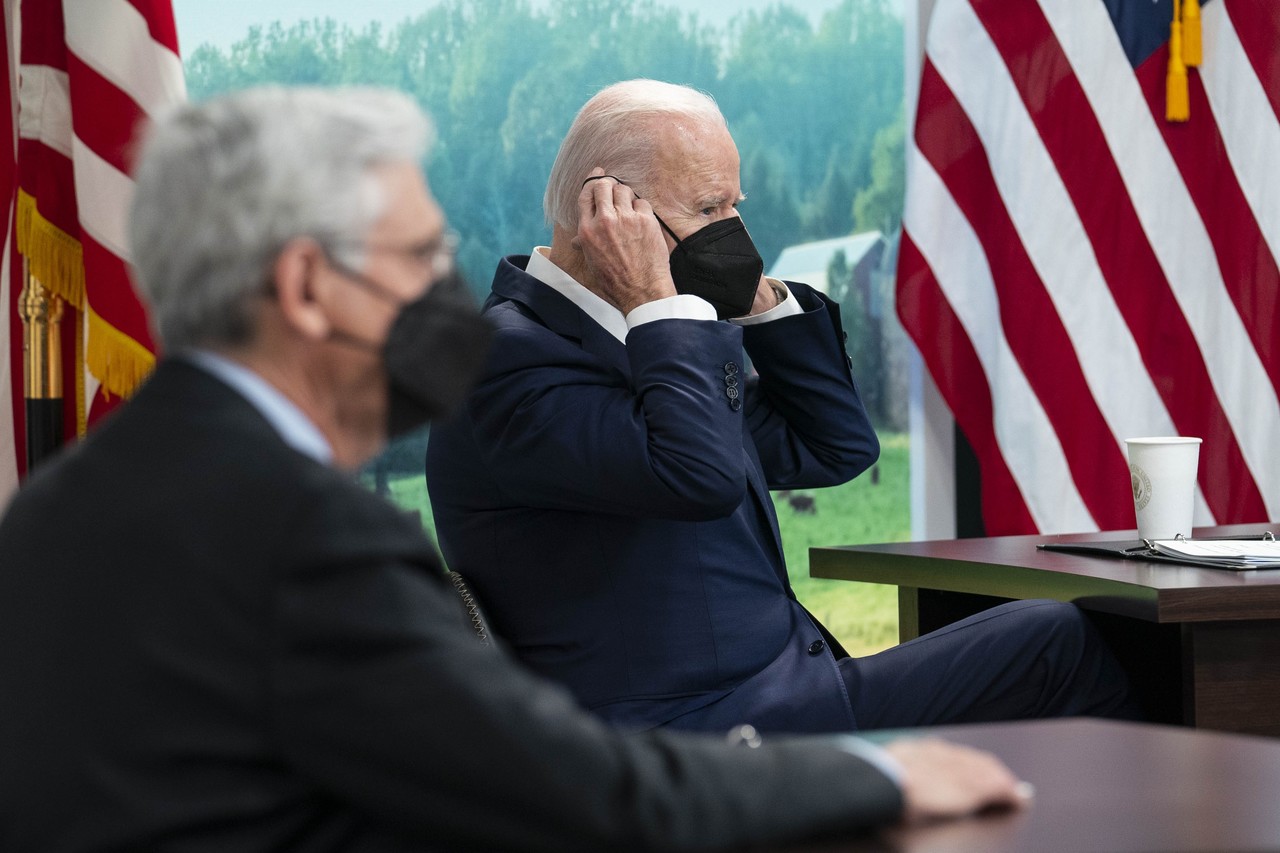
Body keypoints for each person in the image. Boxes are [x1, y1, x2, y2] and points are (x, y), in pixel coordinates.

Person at [0, 85, 1030, 853]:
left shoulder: (62, 506)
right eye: (420, 260)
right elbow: (579, 790)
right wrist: (876, 779)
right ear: (308, 285)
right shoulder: (303, 538)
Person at [426, 78, 1139, 735]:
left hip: (773, 691)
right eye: (709, 210)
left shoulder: (635, 339)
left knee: (1058, 638)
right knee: (1054, 644)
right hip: (687, 734)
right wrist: (657, 302)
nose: (732, 233)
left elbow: (834, 445)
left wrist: (755, 298)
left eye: (735, 207)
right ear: (609, 210)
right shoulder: (504, 361)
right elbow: (696, 477)